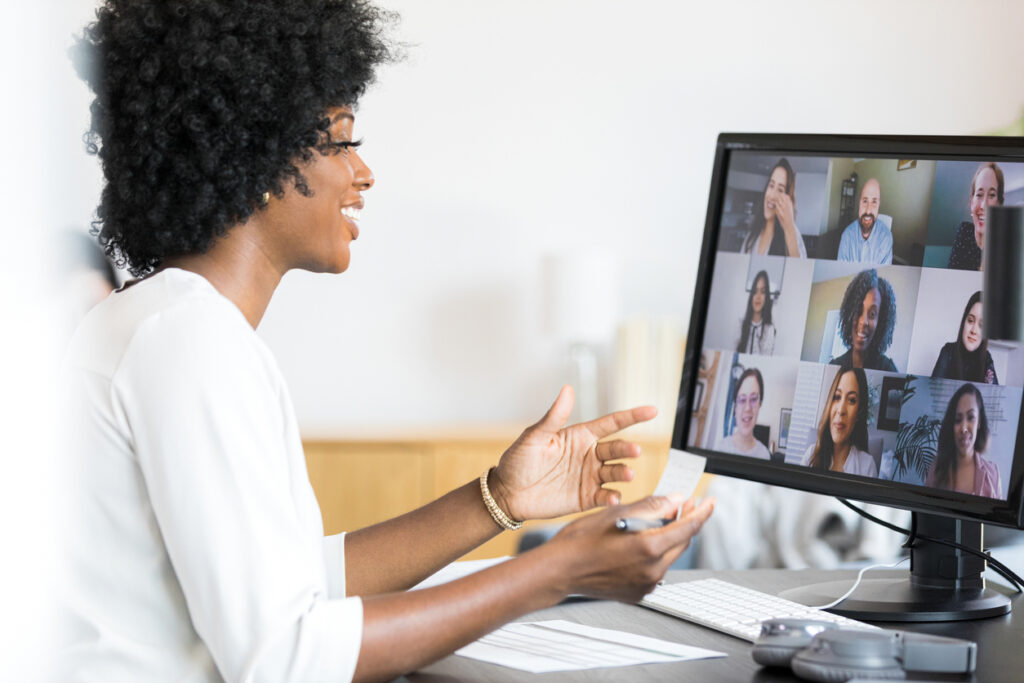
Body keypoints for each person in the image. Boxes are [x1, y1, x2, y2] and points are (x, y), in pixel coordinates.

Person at [59, 2, 715, 681]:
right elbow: (287, 656)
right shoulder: (190, 344)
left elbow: (294, 583)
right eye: (341, 140)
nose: (362, 173)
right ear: (257, 153)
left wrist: (499, 498)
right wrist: (553, 570)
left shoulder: (171, 326)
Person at [925, 384, 1002, 498]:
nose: (964, 428)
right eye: (957, 420)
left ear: (979, 422)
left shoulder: (993, 473)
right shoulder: (936, 468)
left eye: (971, 417)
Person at [802, 368, 877, 477]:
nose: (841, 410)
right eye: (837, 397)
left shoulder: (867, 466)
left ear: (859, 412)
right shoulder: (811, 454)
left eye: (851, 400)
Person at [829, 268, 898, 371]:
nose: (863, 322)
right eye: (858, 310)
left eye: (872, 314)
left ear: (880, 321)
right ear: (849, 313)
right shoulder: (834, 367)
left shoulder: (888, 370)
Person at [740, 158, 808, 258]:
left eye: (780, 190)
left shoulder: (793, 234)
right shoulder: (752, 235)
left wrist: (789, 228)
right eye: (771, 186)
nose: (771, 195)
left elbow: (799, 270)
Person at [932, 291, 998, 384]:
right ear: (964, 321)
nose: (974, 331)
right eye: (970, 320)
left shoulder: (987, 358)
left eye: (982, 325)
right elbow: (932, 393)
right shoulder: (948, 352)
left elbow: (994, 396)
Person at [948, 162, 1004, 271]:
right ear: (972, 202)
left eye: (992, 195)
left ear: (999, 203)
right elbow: (952, 277)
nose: (984, 205)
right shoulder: (965, 231)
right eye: (979, 194)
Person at [713, 368, 771, 459]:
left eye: (754, 399)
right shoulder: (720, 448)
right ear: (735, 407)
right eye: (742, 399)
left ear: (760, 404)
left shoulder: (765, 455)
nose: (747, 408)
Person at [836, 178, 892, 264]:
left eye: (874, 202)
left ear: (879, 205)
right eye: (865, 201)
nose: (868, 211)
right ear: (859, 203)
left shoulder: (886, 238)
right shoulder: (847, 236)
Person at [736, 270, 776, 355]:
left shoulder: (770, 330)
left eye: (762, 292)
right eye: (755, 291)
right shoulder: (740, 325)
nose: (758, 297)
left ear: (767, 297)